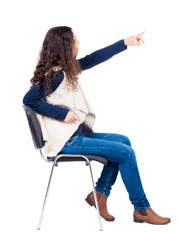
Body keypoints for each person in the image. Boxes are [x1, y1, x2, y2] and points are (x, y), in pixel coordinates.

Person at [23, 26, 171, 225]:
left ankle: (99, 195)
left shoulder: (65, 70)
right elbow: (28, 99)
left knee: (123, 142)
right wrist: (62, 113)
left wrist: (124, 43)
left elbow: (93, 59)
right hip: (67, 142)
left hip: (75, 136)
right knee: (126, 153)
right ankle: (141, 208)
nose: (78, 42)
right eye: (75, 39)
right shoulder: (56, 75)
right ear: (65, 45)